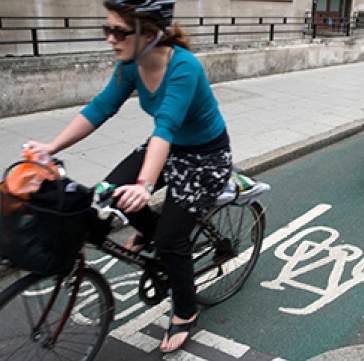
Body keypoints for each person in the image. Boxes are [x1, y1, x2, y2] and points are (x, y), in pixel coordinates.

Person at [25, 0, 232, 354]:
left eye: (119, 31)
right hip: (165, 147)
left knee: (170, 239)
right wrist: (51, 146)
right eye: (107, 29)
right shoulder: (130, 65)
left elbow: (165, 128)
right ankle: (149, 230)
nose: (110, 38)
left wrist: (144, 186)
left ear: (149, 33)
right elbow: (101, 107)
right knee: (106, 193)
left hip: (205, 157)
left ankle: (185, 309)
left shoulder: (183, 67)